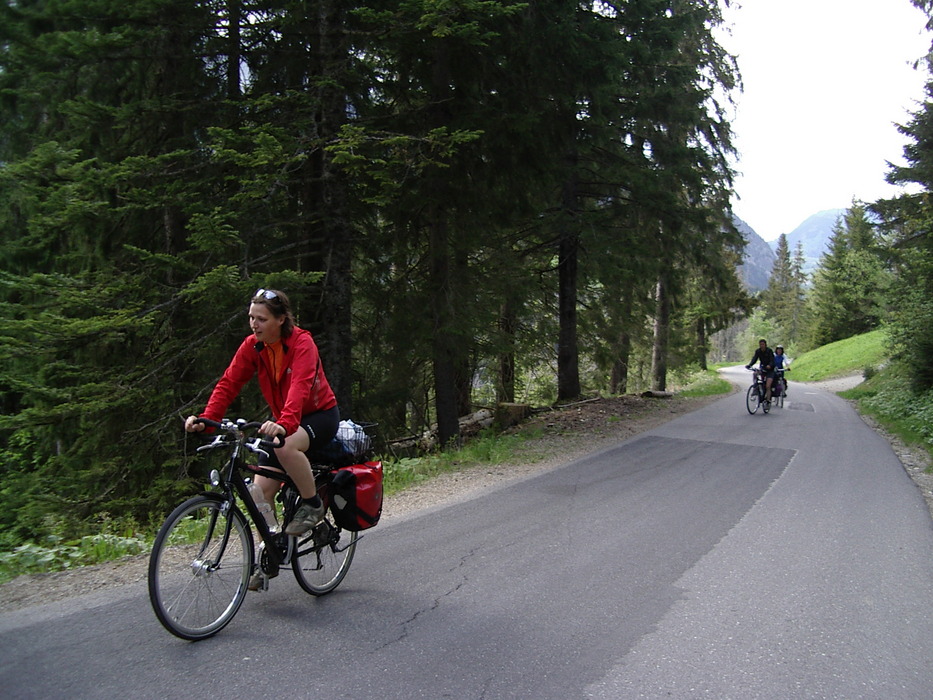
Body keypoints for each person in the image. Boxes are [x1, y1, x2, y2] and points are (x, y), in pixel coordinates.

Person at [184, 289, 339, 545]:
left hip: (318, 416)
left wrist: (285, 425)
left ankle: (313, 505)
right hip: (284, 419)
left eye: (262, 319)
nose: (254, 324)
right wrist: (207, 419)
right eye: (251, 317)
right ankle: (271, 549)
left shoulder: (302, 343)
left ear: (281, 320)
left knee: (286, 446)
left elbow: (300, 386)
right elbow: (228, 383)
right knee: (260, 492)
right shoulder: (253, 346)